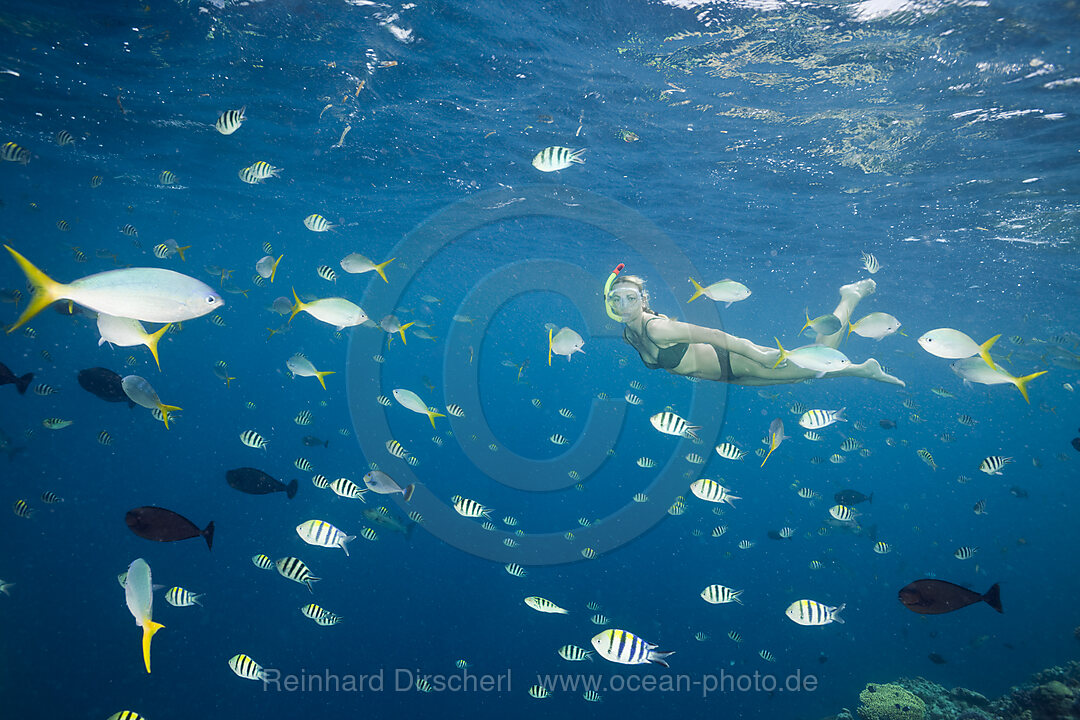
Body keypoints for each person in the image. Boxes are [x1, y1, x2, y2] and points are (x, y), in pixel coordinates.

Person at [604, 265, 904, 387]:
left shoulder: (656, 329)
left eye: (631, 298)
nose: (623, 305)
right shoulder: (629, 334)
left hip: (736, 360)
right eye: (616, 300)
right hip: (729, 377)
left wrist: (757, 355)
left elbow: (714, 334)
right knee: (797, 376)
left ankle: (850, 297)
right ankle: (862, 369)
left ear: (643, 300)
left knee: (814, 363)